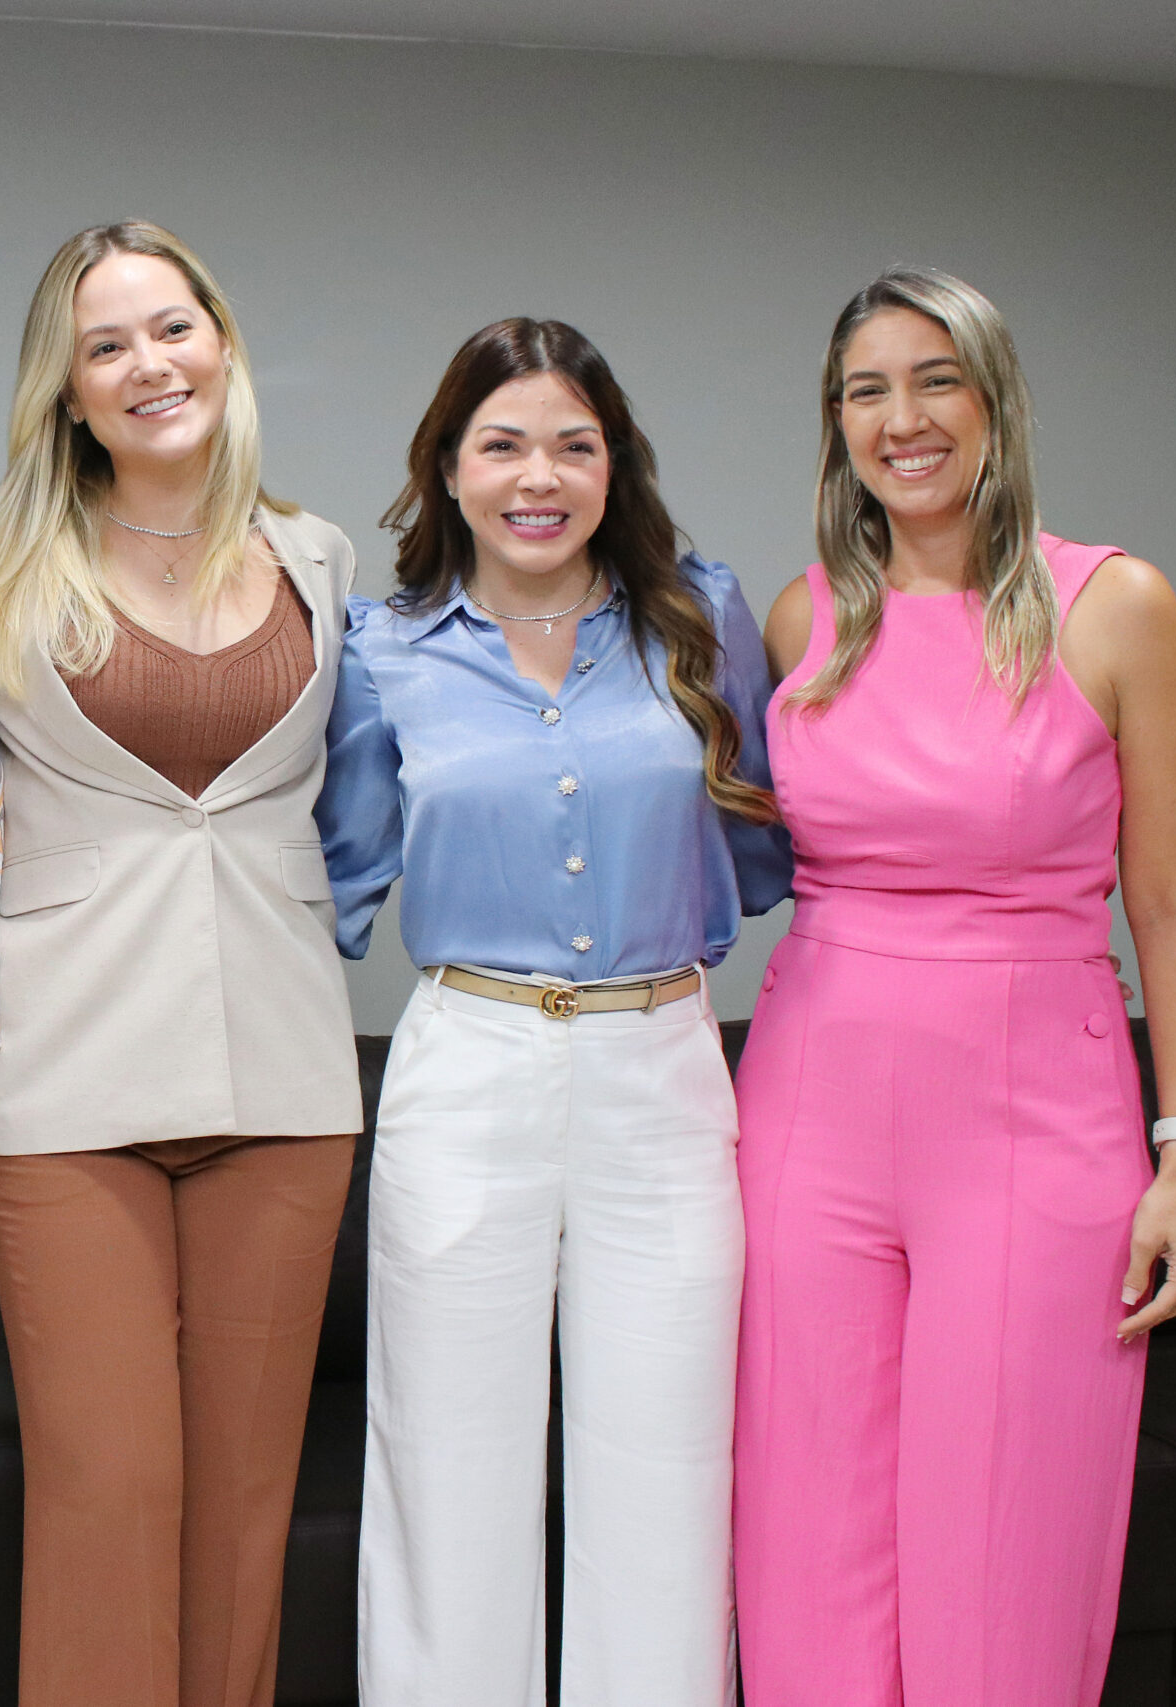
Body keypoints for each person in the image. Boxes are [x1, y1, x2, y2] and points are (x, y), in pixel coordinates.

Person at [733, 268, 1176, 1706]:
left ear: (996, 401)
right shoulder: (799, 619)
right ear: (837, 429)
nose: (904, 418)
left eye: (936, 378)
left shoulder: (1115, 604)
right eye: (866, 390)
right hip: (811, 1113)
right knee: (805, 1537)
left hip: (1032, 1119)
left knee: (1007, 1543)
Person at [0, 220, 361, 1707]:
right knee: (109, 1495)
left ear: (221, 343)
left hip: (288, 1074)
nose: (147, 364)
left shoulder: (322, 557)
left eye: (171, 328)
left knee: (247, 1510)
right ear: (67, 391)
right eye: (106, 345)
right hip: (68, 1077)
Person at [316, 318, 790, 1706]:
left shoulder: (701, 618)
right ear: (449, 472)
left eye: (574, 445)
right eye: (503, 444)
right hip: (470, 1062)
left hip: (664, 1063)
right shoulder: (382, 650)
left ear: (615, 466)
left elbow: (770, 854)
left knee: (668, 1462)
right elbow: (333, 877)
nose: (541, 475)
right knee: (445, 1465)